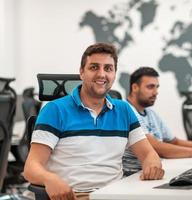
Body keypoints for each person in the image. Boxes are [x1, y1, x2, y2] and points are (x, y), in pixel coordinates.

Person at [24, 43, 164, 200]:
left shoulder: (124, 110)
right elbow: (31, 168)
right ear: (82, 72)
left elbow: (148, 154)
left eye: (108, 69)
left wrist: (152, 163)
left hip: (117, 194)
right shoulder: (55, 110)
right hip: (75, 195)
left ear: (114, 74)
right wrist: (50, 179)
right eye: (94, 67)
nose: (102, 74)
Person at [122, 67, 192, 175]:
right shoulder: (127, 111)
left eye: (157, 87)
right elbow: (156, 147)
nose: (156, 92)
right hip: (135, 175)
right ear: (135, 87)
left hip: (155, 170)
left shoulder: (150, 113)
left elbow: (174, 141)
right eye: (150, 87)